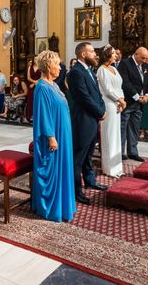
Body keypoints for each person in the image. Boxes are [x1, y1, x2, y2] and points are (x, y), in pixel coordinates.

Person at [31, 50, 76, 222]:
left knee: (63, 168)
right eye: (57, 64)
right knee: (53, 172)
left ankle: (63, 204)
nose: (59, 68)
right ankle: (51, 208)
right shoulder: (42, 87)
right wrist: (51, 137)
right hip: (53, 136)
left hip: (63, 133)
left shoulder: (54, 85)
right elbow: (43, 115)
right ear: (49, 67)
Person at [68, 42, 108, 205]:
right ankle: (76, 190)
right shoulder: (76, 72)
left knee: (89, 154)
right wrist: (99, 111)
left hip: (92, 119)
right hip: (83, 120)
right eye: (92, 51)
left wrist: (102, 108)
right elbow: (84, 97)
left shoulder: (89, 70)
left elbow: (97, 94)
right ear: (83, 54)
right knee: (78, 157)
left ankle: (90, 180)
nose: (95, 54)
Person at [117, 47, 148, 161]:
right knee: (123, 127)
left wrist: (147, 95)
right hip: (128, 101)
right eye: (142, 58)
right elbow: (125, 83)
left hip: (140, 103)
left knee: (134, 128)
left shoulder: (145, 65)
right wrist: (137, 97)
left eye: (146, 58)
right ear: (136, 54)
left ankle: (133, 152)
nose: (144, 60)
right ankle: (121, 152)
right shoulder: (125, 64)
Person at [96, 45, 126, 178]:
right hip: (108, 103)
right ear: (107, 55)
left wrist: (122, 100)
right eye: (113, 53)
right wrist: (120, 100)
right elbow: (107, 90)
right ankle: (109, 168)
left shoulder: (114, 68)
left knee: (116, 135)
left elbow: (119, 85)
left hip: (117, 103)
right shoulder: (101, 70)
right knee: (109, 135)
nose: (116, 55)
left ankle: (117, 166)